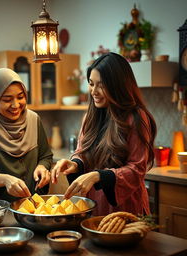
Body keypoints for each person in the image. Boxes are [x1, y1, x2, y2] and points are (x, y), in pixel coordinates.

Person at [51, 52, 157, 216]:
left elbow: (136, 169)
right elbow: (82, 152)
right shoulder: (90, 116)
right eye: (91, 84)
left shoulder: (136, 117)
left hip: (125, 207)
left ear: (118, 85)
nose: (94, 91)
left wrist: (99, 176)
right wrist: (76, 164)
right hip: (94, 204)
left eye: (101, 85)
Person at [0, 68, 53, 202]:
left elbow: (45, 155)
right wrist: (4, 179)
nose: (15, 105)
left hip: (32, 206)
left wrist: (42, 166)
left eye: (20, 97)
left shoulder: (33, 119)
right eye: (7, 99)